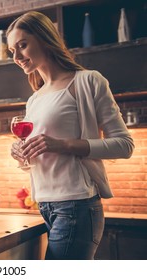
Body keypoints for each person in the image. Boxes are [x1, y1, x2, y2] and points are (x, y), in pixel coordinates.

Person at [7, 11, 134, 260]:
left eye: (23, 45)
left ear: (45, 39)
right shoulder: (35, 99)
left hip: (76, 204)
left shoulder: (88, 82)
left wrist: (62, 144)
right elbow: (39, 157)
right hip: (45, 205)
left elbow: (124, 145)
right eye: (12, 50)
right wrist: (20, 155)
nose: (17, 56)